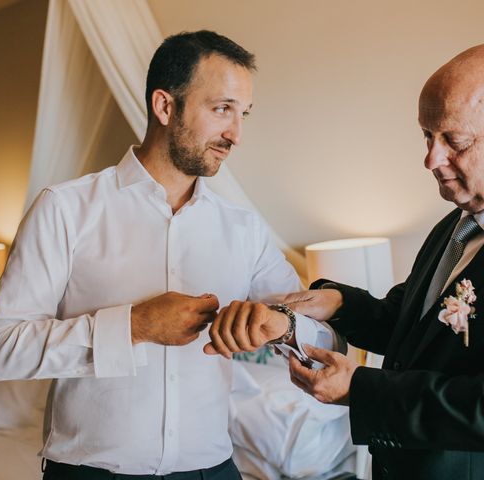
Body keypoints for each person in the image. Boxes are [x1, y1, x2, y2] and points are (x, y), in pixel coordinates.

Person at [0, 30, 336, 480]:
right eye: (222, 109)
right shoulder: (65, 209)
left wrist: (282, 325)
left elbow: (318, 335)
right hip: (89, 472)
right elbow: (2, 350)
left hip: (213, 469)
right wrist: (135, 326)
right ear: (166, 106)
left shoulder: (244, 229)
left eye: (243, 114)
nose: (236, 135)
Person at [205, 44, 484, 479]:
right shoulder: (453, 227)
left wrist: (362, 389)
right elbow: (407, 326)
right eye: (428, 137)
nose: (431, 158)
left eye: (455, 141)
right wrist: (338, 302)